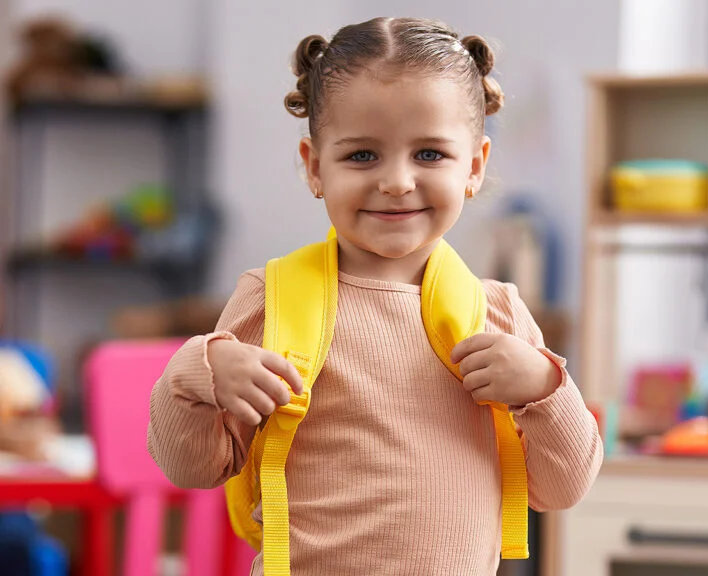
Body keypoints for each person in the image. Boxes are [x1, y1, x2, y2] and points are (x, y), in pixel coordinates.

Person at [148, 16, 602, 576]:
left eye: (430, 154)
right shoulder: (271, 299)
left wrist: (544, 387)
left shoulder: (500, 313)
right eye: (362, 155)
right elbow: (190, 467)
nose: (396, 181)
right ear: (315, 167)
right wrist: (199, 373)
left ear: (475, 166)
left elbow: (563, 490)